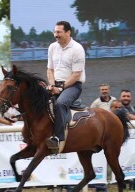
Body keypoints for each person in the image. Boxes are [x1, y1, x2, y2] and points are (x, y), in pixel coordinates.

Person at [45, 21, 85, 152]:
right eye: (55, 32)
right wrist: (51, 85)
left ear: (68, 32)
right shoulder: (52, 47)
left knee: (60, 104)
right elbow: (49, 70)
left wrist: (61, 88)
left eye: (59, 32)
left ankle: (58, 138)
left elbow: (76, 75)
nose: (56, 35)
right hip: (55, 84)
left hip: (73, 86)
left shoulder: (78, 49)